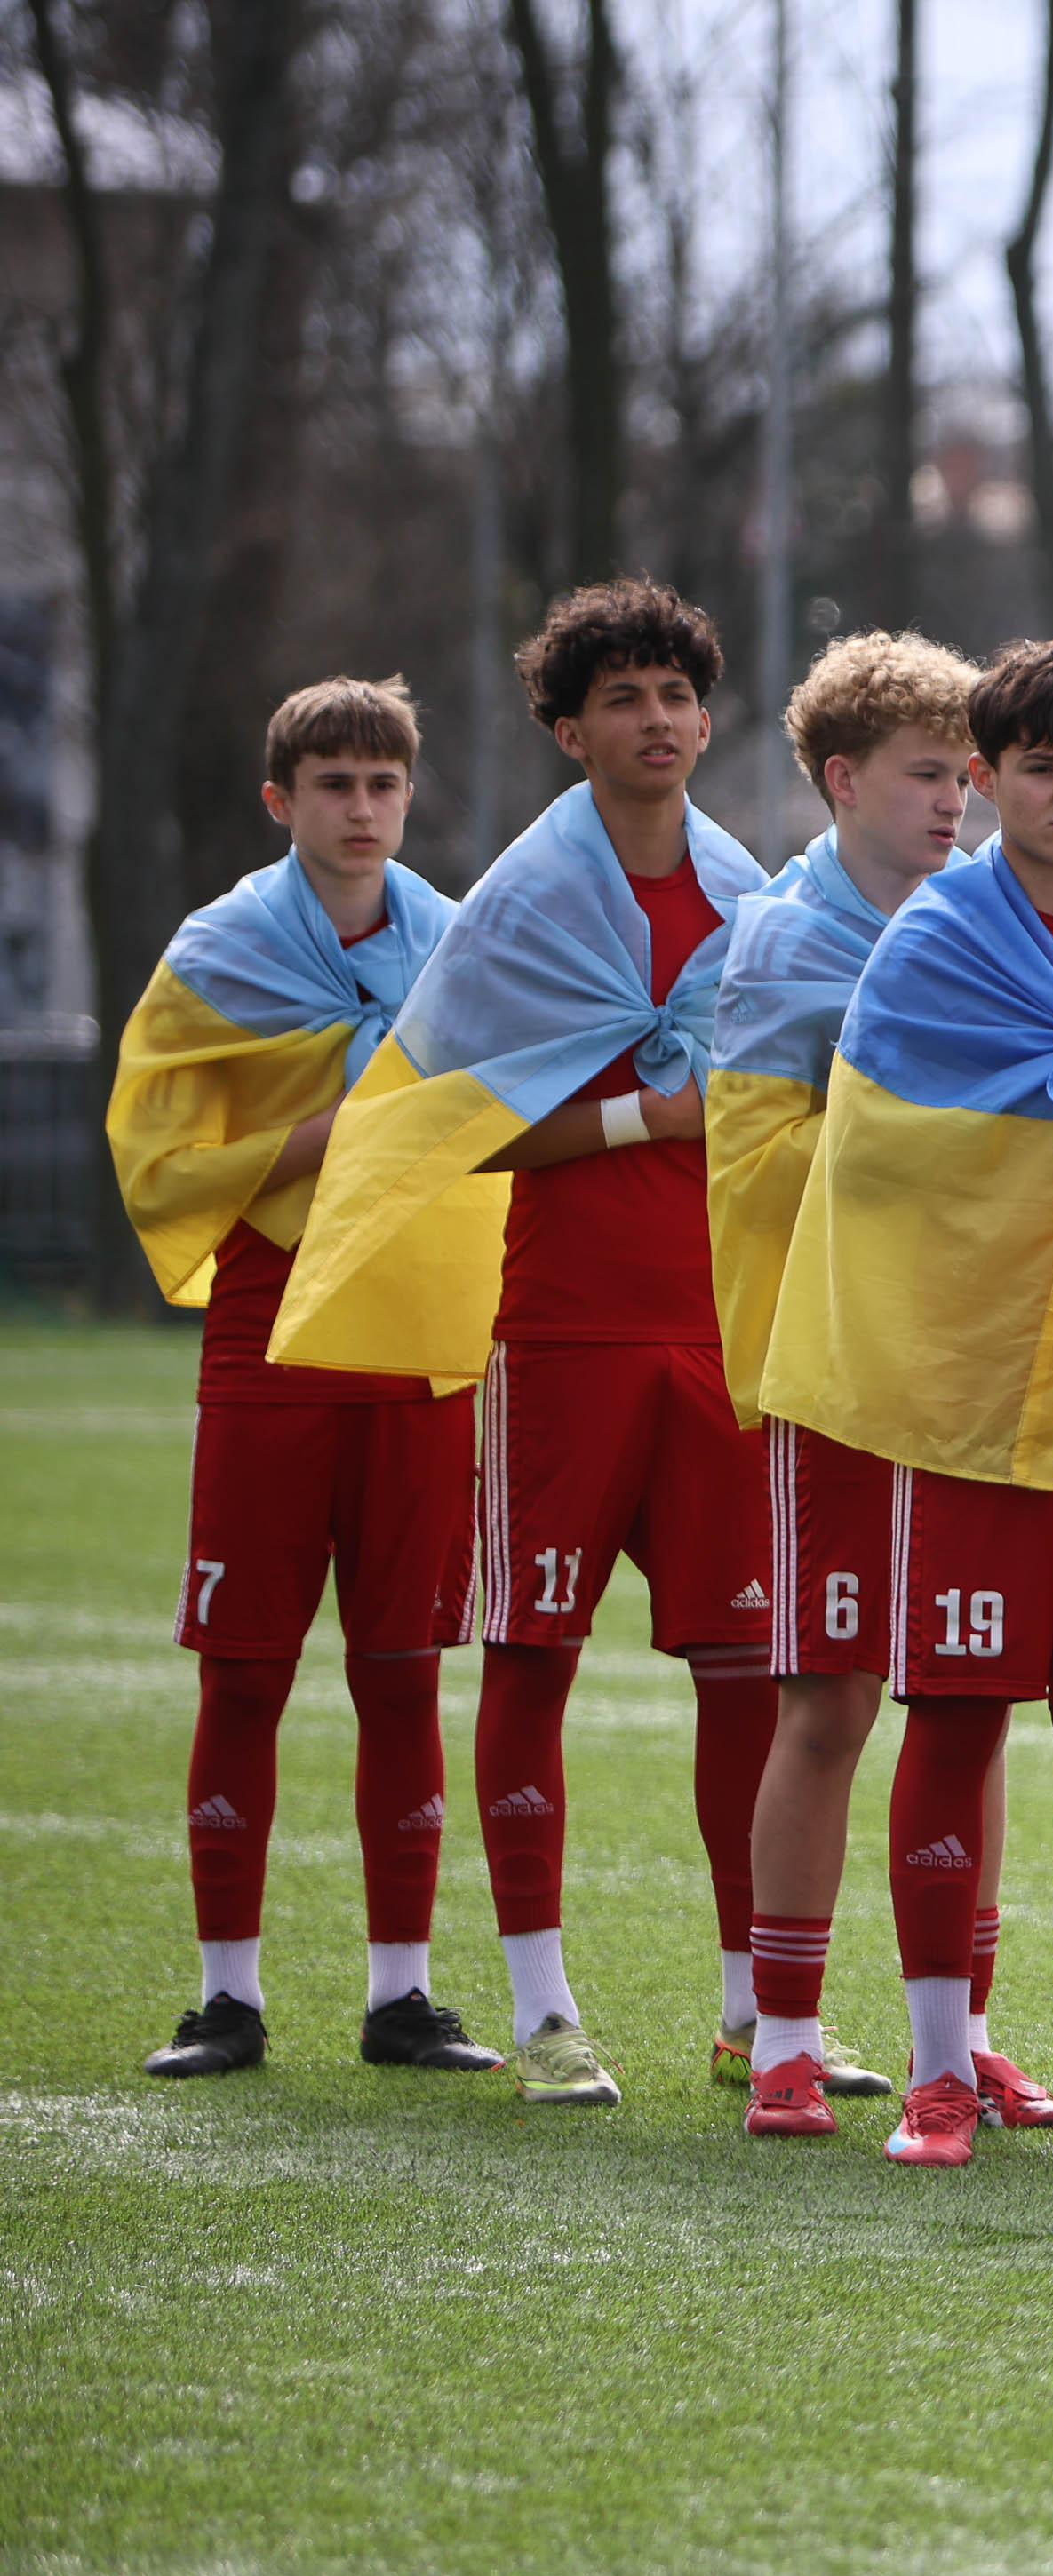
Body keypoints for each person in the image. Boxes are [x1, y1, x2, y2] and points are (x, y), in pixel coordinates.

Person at [273, 580, 774, 2111]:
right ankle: (547, 2010)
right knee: (532, 1658)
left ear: (708, 721)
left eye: (676, 694)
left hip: (721, 1331)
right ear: (570, 731)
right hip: (560, 1332)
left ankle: (761, 2012)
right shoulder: (521, 904)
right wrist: (641, 1117)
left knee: (749, 1674)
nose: (657, 720)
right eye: (623, 697)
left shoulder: (755, 898)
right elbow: (446, 1127)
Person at [758, 636, 1053, 2169]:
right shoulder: (935, 942)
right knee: (954, 1716)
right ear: (987, 777)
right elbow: (881, 1166)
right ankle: (942, 2072)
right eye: (1037, 767)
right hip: (976, 1398)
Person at [112, 676, 497, 2081]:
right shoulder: (218, 951)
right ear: (282, 800)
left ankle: (405, 1998)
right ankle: (226, 1999)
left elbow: (507, 1111)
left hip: (416, 1342)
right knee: (243, 1675)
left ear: (410, 794)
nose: (362, 808)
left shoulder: (460, 945)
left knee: (403, 1676)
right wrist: (332, 1134)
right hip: (269, 1338)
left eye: (383, 783)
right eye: (333, 784)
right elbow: (160, 1156)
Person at [707, 630, 1043, 2135]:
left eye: (966, 775)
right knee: (829, 1700)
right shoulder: (785, 942)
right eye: (925, 776)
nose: (955, 803)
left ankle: (962, 2036)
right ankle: (781, 2036)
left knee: (968, 1702)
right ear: (841, 781)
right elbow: (757, 1164)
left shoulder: (1001, 922)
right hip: (841, 1367)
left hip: (971, 1367)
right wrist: (946, 1132)